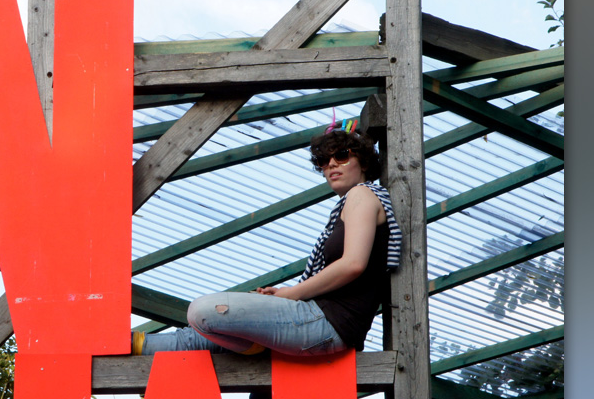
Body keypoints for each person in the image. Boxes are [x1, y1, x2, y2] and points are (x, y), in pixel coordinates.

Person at [131, 126, 402, 376]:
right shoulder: (349, 204)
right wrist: (283, 296)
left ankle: (258, 350)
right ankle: (132, 343)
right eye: (323, 160)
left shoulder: (362, 194)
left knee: (203, 311)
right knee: (197, 338)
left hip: (326, 323)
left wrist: (291, 294)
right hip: (319, 320)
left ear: (363, 162)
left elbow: (353, 264)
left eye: (341, 156)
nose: (331, 164)